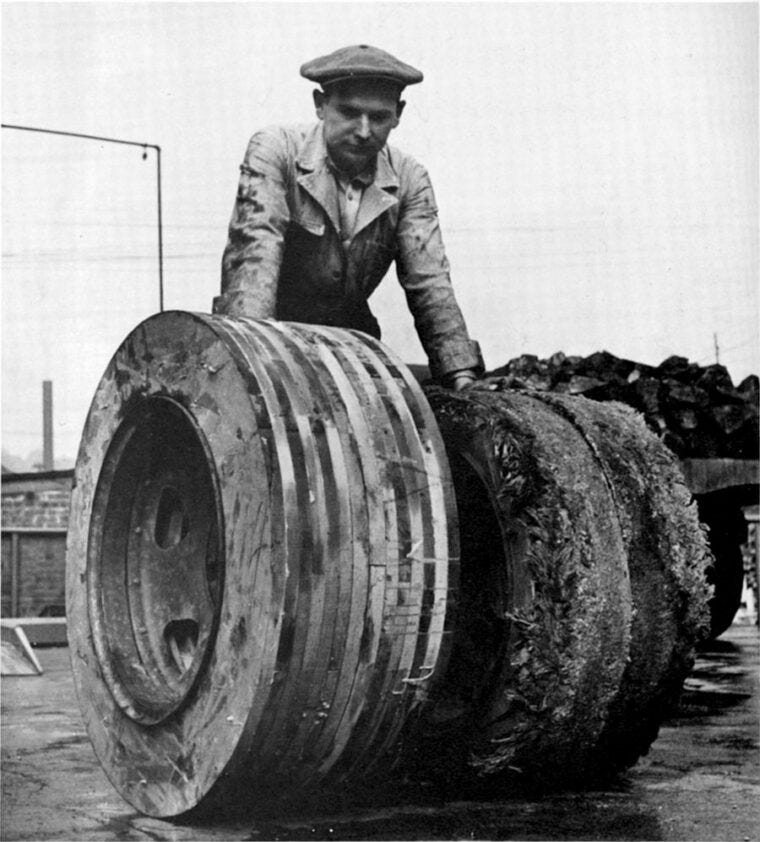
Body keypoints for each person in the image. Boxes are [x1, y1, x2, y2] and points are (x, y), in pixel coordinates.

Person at [214, 44, 483, 390]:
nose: (364, 130)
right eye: (349, 112)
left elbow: (429, 281)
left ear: (399, 113)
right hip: (271, 340)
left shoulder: (410, 178)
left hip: (352, 348)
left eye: (380, 117)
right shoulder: (276, 151)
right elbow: (254, 256)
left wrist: (461, 374)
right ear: (320, 104)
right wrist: (251, 366)